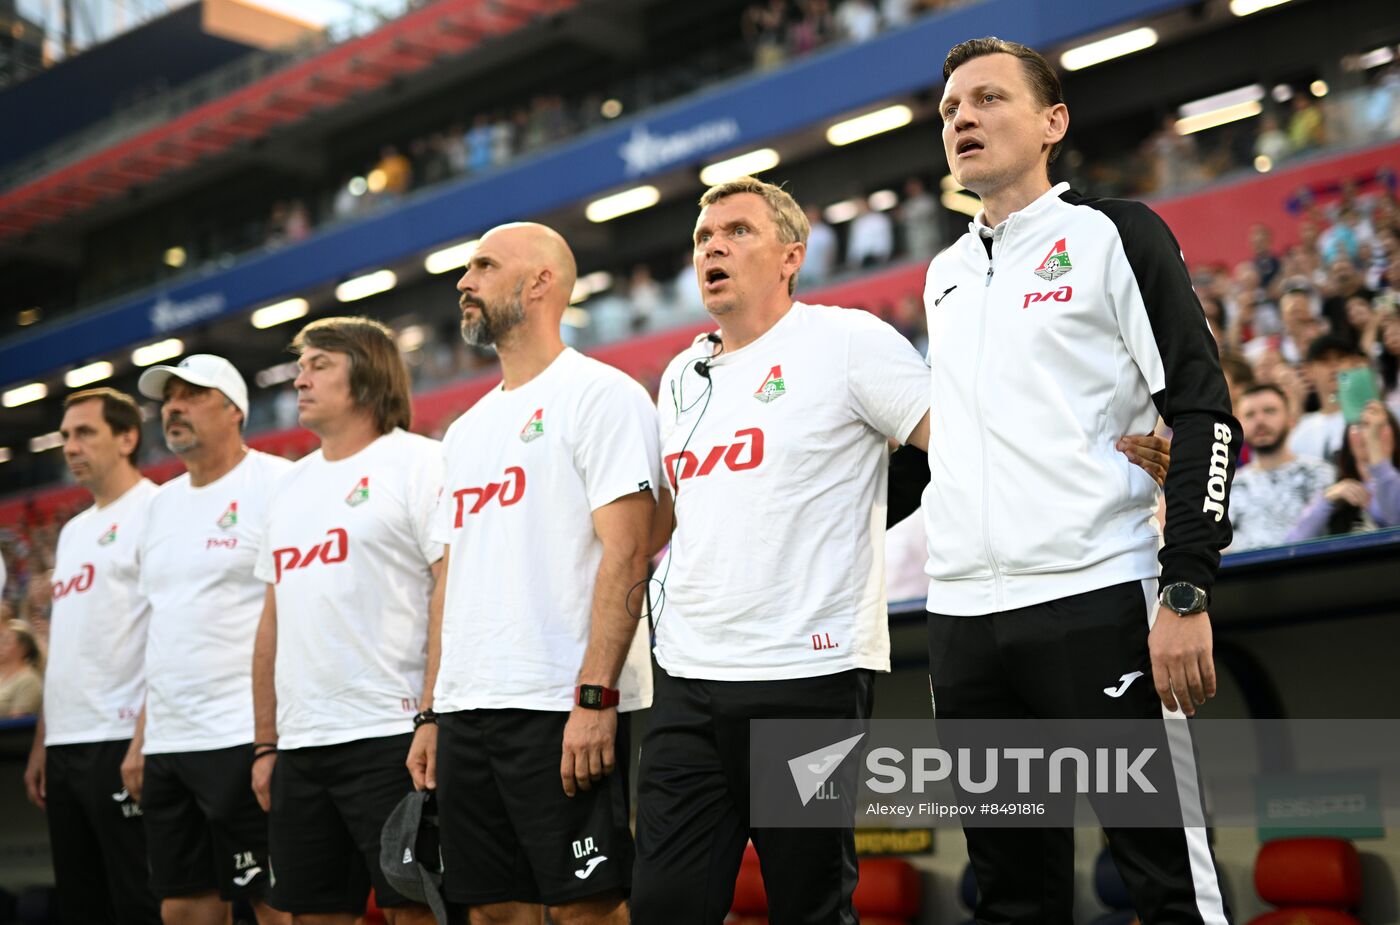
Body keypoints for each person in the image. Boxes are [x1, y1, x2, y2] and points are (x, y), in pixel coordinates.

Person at [628, 176, 1172, 923]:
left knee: (807, 905)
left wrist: (1098, 451)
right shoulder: (678, 378)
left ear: (792, 255)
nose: (713, 245)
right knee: (662, 903)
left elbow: (964, 444)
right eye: (703, 237)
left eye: (737, 231)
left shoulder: (846, 342)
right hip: (688, 675)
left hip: (805, 675)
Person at [921, 37, 1240, 924]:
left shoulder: (1113, 234)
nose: (964, 120)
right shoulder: (943, 277)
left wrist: (1184, 584)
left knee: (1170, 883)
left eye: (987, 100)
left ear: (1052, 122)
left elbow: (1204, 411)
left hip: (1101, 594)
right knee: (1011, 897)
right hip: (965, 623)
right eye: (951, 110)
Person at [407, 223, 657, 925]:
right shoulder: (464, 431)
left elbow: (629, 553)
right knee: (490, 911)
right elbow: (449, 581)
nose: (465, 281)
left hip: (559, 699)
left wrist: (595, 696)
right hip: (467, 707)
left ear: (540, 281)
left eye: (484, 266)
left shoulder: (602, 395)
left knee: (589, 907)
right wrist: (432, 710)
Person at [252, 318, 442, 925]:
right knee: (310, 916)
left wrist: (433, 714)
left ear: (366, 374)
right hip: (304, 746)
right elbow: (272, 624)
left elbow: (450, 593)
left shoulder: (421, 463)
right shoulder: (288, 487)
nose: (299, 378)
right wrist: (266, 744)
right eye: (299, 365)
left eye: (319, 364)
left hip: (392, 734)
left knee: (414, 911)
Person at [134, 355, 292, 925]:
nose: (172, 406)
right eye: (168, 397)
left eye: (191, 395)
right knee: (183, 907)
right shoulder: (159, 504)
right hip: (170, 743)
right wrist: (142, 737)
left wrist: (270, 738)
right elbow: (164, 626)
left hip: (242, 736)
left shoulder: (279, 483)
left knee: (275, 904)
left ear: (234, 411)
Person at [23, 388, 162, 925]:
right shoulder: (75, 530)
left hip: (120, 738)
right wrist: (43, 740)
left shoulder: (155, 509)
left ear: (127, 437)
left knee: (139, 899)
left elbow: (166, 632)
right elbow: (68, 646)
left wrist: (146, 734)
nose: (71, 447)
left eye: (85, 433)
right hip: (65, 744)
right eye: (65, 437)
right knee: (83, 904)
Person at [1228, 385, 1334, 551]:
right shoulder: (1229, 486)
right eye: (1250, 415)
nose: (1260, 421)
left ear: (1290, 419)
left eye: (1269, 411)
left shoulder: (1319, 472)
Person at [1287, 400, 1400, 540]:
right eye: (1359, 425)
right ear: (1347, 440)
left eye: (1380, 425)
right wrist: (1326, 500)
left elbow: (1395, 518)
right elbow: (1292, 544)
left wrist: (1375, 448)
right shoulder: (1334, 493)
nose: (1368, 432)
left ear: (1395, 434)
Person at [1290, 335, 1370, 462]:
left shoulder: (1378, 415)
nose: (1334, 366)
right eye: (1324, 360)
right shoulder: (1300, 433)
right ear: (1308, 371)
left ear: (1354, 363)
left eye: (1341, 358)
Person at [0, 618, 43, 716]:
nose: (0, 646)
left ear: (23, 648)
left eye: (5, 642)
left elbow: (17, 723)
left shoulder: (28, 680)